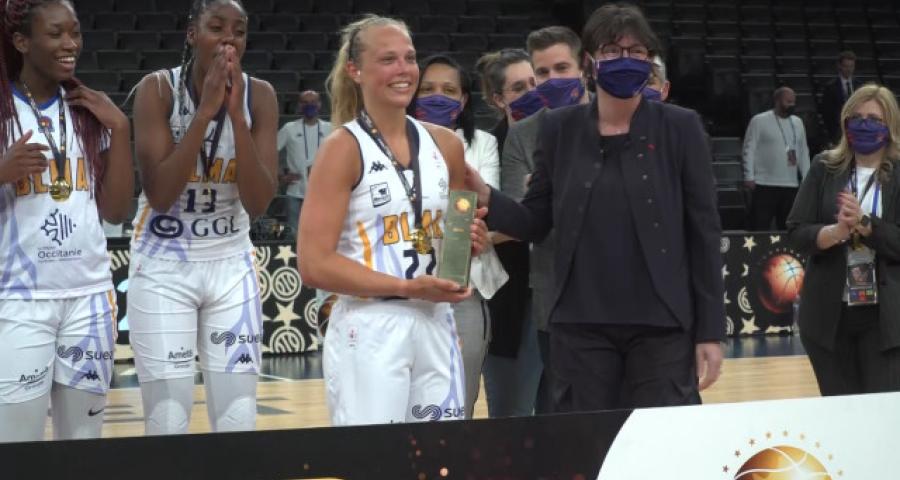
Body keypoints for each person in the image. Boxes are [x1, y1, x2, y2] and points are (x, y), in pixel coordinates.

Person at [465, 3, 725, 412]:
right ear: (590, 62)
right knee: (586, 441)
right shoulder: (559, 129)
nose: (625, 60)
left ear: (649, 60)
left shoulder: (680, 126)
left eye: (636, 51)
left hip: (662, 324)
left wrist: (710, 331)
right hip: (580, 325)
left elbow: (704, 233)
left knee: (659, 441)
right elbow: (534, 221)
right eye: (611, 51)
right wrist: (485, 194)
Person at [298, 15, 489, 425]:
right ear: (355, 71)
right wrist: (405, 286)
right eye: (388, 59)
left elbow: (452, 252)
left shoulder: (447, 145)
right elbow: (313, 264)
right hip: (370, 324)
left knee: (439, 454)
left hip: (436, 319)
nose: (404, 70)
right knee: (375, 457)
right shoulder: (342, 148)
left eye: (410, 58)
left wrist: (469, 245)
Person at [128, 0, 278, 435]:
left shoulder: (260, 96)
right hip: (164, 264)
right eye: (216, 27)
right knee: (168, 421)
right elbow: (161, 195)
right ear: (192, 33)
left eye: (239, 31)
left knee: (238, 421)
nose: (229, 39)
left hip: (231, 264)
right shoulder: (157, 90)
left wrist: (236, 117)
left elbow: (258, 202)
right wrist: (206, 111)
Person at [0, 0, 134, 441]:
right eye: (55, 33)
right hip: (19, 299)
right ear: (22, 42)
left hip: (89, 297)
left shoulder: (88, 111)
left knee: (83, 450)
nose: (70, 44)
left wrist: (121, 130)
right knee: (16, 448)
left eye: (74, 33)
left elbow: (117, 211)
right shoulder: (3, 111)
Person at [498, 25, 592, 416]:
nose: (553, 79)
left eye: (562, 68)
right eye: (543, 72)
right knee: (559, 411)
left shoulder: (617, 117)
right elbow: (522, 215)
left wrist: (546, 188)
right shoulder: (522, 135)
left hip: (621, 293)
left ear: (583, 67)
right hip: (554, 294)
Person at [787, 83, 900, 396]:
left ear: (890, 125)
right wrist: (835, 232)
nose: (864, 124)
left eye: (874, 119)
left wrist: (866, 225)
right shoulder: (824, 167)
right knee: (841, 412)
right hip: (828, 318)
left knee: (880, 413)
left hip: (886, 320)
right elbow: (796, 232)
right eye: (857, 118)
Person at [409, 53, 504, 420]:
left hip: (464, 286)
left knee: (459, 403)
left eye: (449, 90)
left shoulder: (482, 144)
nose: (438, 97)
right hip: (405, 288)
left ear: (464, 100)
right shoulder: (391, 142)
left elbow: (481, 203)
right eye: (428, 89)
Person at [474, 49, 543, 417]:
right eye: (519, 88)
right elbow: (484, 222)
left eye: (535, 82)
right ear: (498, 99)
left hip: (554, 289)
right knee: (510, 412)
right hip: (509, 294)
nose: (532, 92)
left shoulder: (563, 132)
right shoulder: (488, 148)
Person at [742, 86, 811, 230]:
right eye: (788, 102)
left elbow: (803, 151)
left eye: (793, 102)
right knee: (759, 226)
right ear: (777, 101)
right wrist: (749, 176)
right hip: (764, 183)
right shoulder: (759, 120)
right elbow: (749, 149)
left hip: (791, 184)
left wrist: (807, 178)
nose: (792, 105)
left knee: (788, 228)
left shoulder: (798, 122)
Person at [277, 90, 331, 235]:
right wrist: (280, 174)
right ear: (299, 105)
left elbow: (341, 156)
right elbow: (271, 150)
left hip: (324, 193)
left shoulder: (330, 128)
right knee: (295, 234)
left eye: (313, 102)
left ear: (319, 104)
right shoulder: (289, 128)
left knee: (322, 233)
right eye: (305, 102)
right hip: (295, 192)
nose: (309, 105)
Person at [822, 51, 857, 146]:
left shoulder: (860, 85)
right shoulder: (830, 87)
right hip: (838, 132)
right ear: (839, 66)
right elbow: (826, 114)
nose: (849, 69)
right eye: (846, 66)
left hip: (857, 131)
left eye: (851, 66)